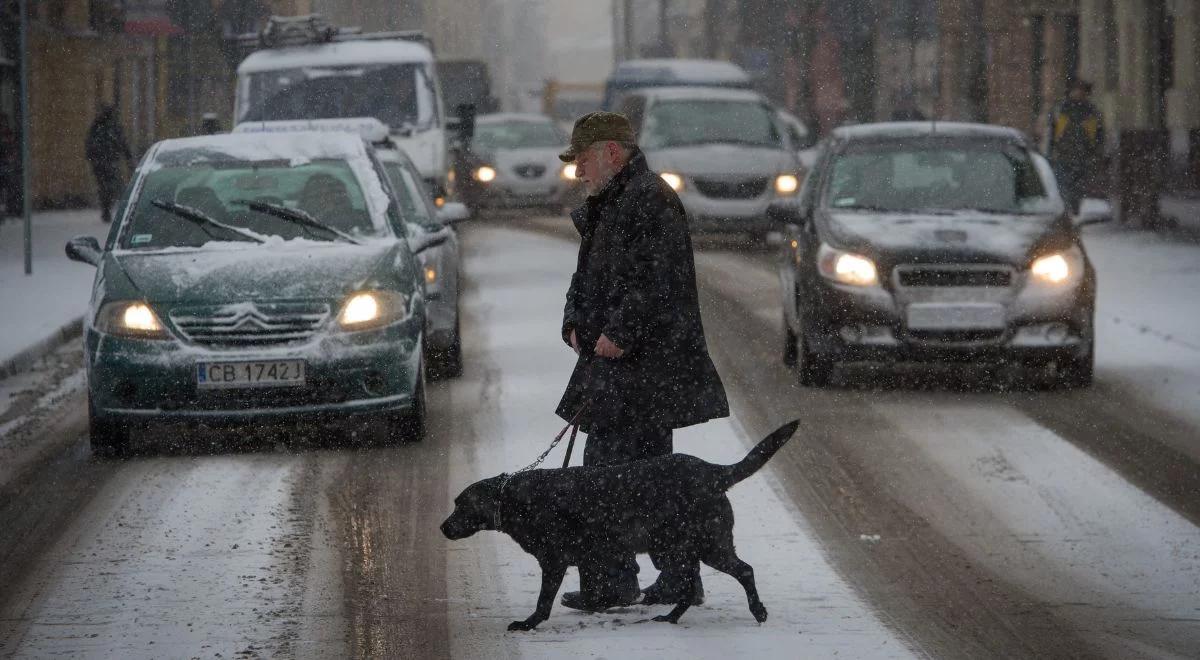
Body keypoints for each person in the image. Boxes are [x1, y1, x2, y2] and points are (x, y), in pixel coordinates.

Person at [554, 111, 729, 612]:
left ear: (612, 152)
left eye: (583, 160)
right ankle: (670, 578)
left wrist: (619, 333)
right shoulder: (613, 202)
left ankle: (621, 581)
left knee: (614, 480)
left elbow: (657, 280)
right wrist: (572, 319)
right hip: (627, 366)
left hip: (643, 369)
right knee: (641, 480)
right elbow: (586, 277)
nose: (578, 172)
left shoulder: (647, 199)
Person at [1047, 79, 1104, 215]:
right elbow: (1051, 134)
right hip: (1063, 156)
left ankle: (1073, 212)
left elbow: (1099, 137)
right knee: (1063, 189)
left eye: (1082, 90)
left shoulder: (1092, 113)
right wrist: (1050, 153)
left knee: (1077, 191)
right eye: (1076, 89)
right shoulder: (1060, 110)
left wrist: (1096, 155)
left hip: (1083, 158)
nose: (1078, 93)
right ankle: (1066, 214)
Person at [85, 106, 133, 223]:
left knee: (107, 187)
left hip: (105, 162)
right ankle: (111, 209)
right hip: (106, 162)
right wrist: (128, 158)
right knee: (110, 187)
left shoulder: (100, 126)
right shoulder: (106, 127)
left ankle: (108, 209)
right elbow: (122, 142)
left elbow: (90, 144)